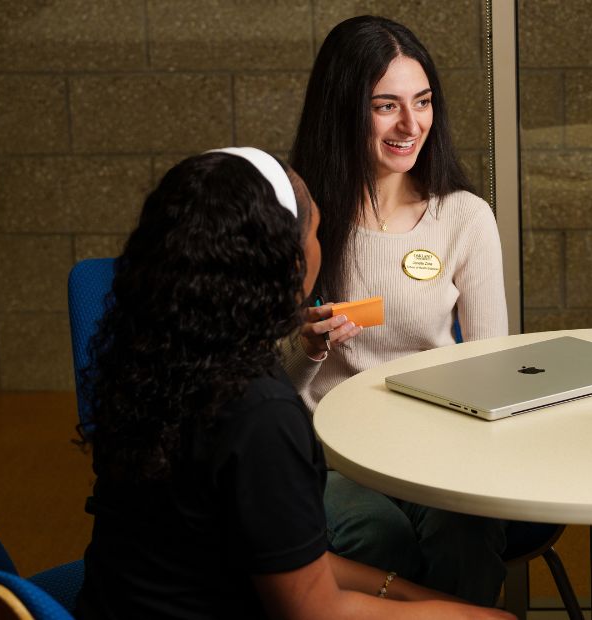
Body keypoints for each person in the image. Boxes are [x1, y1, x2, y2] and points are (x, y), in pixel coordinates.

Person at [75, 148, 511, 620]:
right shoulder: (260, 414)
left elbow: (289, 560)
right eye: (316, 232)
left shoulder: (155, 364)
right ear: (283, 260)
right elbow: (315, 611)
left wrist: (409, 593)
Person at [283, 16, 509, 605]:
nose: (412, 125)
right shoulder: (301, 221)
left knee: (466, 523)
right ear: (343, 110)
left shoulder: (463, 217)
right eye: (387, 106)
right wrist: (307, 349)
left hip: (434, 442)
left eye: (423, 102)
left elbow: (494, 363)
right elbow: (259, 386)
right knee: (378, 532)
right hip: (328, 451)